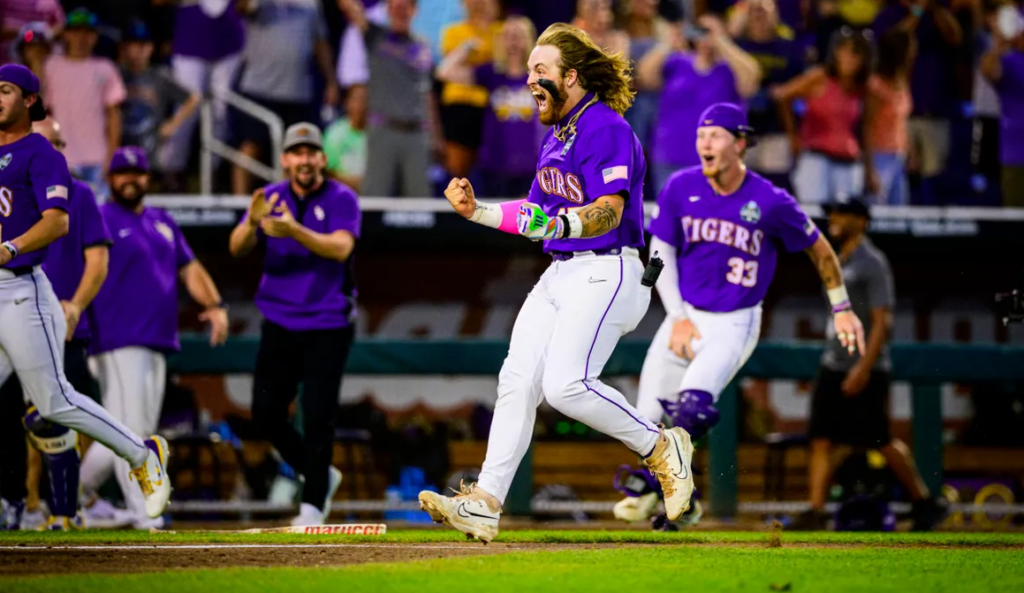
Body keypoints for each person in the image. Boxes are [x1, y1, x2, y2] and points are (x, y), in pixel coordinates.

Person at [417, 23, 695, 544]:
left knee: (565, 385)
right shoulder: (556, 137)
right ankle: (486, 501)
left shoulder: (605, 127)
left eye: (539, 71)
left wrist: (560, 225)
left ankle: (661, 447)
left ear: (571, 76)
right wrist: (478, 211)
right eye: (528, 71)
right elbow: (536, 213)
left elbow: (608, 213)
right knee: (516, 379)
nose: (529, 80)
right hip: (564, 269)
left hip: (609, 267)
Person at [609, 103, 866, 529]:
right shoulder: (679, 186)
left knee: (690, 409)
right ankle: (684, 502)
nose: (704, 143)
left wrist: (841, 307)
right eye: (700, 135)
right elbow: (660, 252)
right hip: (685, 313)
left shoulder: (770, 199)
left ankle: (659, 491)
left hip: (735, 319)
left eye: (715, 135)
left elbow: (820, 250)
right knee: (645, 422)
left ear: (740, 143)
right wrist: (676, 315)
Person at [0, 64, 169, 529]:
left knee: (54, 401)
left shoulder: (41, 153)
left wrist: (9, 247)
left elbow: (57, 222)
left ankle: (142, 453)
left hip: (21, 289)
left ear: (30, 100)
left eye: (7, 90)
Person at [78, 145, 227, 529]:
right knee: (132, 431)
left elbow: (190, 268)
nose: (131, 179)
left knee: (119, 427)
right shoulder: (100, 217)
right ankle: (144, 511)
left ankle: (69, 498)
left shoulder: (162, 221)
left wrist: (214, 304)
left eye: (138, 173)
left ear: (148, 178)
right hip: (115, 337)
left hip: (157, 339)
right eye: (123, 173)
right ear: (110, 179)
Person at [229, 123, 359, 526]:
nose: (304, 160)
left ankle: (312, 505)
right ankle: (319, 473)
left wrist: (294, 231)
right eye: (296, 153)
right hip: (279, 319)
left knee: (318, 414)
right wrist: (251, 223)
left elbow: (341, 248)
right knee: (265, 413)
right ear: (284, 159)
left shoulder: (342, 198)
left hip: (328, 321)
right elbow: (237, 249)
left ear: (322, 157)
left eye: (310, 152)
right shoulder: (268, 197)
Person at [795, 197, 948, 531]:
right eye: (832, 213)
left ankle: (925, 502)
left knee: (879, 439)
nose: (833, 218)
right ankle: (816, 511)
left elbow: (883, 320)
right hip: (833, 361)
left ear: (862, 220)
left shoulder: (873, 262)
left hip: (865, 366)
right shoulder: (838, 258)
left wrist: (864, 367)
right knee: (820, 437)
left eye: (842, 213)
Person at [0, 116, 120, 531]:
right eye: (46, 142)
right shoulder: (8, 187)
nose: (53, 151)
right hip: (11, 315)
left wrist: (76, 305)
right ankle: (18, 502)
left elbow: (98, 260)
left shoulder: (80, 193)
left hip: (61, 321)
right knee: (11, 416)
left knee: (54, 413)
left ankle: (65, 508)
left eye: (58, 143)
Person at [638, 15, 762, 195]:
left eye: (710, 31)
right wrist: (667, 43)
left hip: (718, 161)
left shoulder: (730, 68)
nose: (705, 36)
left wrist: (721, 42)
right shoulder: (678, 63)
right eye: (701, 31)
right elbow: (645, 76)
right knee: (671, 218)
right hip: (671, 156)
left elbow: (751, 80)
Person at [231, 0, 341, 195]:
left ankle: (288, 207)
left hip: (297, 92)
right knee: (251, 147)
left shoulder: (310, 5)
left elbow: (320, 43)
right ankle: (240, 206)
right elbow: (242, 7)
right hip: (259, 88)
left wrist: (331, 81)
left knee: (294, 154)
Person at [338, 0, 438, 198]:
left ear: (414, 11)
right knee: (375, 195)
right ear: (388, 10)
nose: (400, 11)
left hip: (416, 132)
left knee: (421, 202)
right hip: (383, 129)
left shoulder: (422, 46)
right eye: (395, 6)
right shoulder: (375, 36)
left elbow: (426, 93)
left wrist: (435, 135)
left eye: (405, 7)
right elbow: (349, 6)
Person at [436, 15, 541, 198]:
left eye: (518, 35)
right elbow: (444, 72)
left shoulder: (540, 76)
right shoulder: (491, 72)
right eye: (508, 36)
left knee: (528, 224)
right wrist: (466, 48)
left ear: (528, 40)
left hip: (529, 168)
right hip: (495, 166)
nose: (513, 41)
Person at [772, 26, 876, 204]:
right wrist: (793, 137)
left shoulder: (864, 89)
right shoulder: (819, 78)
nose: (850, 59)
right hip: (815, 159)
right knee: (814, 217)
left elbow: (865, 130)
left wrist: (870, 170)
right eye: (845, 52)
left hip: (849, 161)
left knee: (845, 218)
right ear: (836, 53)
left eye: (856, 54)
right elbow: (782, 96)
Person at [43, 8, 125, 201]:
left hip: (97, 159)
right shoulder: (51, 66)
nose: (82, 38)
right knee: (61, 218)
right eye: (76, 31)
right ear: (65, 34)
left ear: (96, 36)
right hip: (62, 159)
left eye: (88, 32)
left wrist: (112, 157)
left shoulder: (105, 68)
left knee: (96, 219)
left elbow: (114, 116)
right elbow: (43, 113)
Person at [118, 20, 201, 183]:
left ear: (151, 47)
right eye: (133, 44)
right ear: (124, 48)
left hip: (151, 151)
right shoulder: (116, 74)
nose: (139, 50)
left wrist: (173, 123)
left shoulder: (159, 76)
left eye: (143, 44)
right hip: (120, 146)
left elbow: (193, 98)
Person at [438, 0, 502, 178]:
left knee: (488, 168)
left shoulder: (500, 31)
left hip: (490, 108)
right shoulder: (453, 32)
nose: (478, 4)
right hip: (459, 107)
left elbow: (503, 63)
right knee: (457, 170)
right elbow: (448, 68)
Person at [981, 4, 1024, 208]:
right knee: (1016, 218)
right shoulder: (1007, 61)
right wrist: (999, 44)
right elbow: (988, 70)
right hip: (1016, 154)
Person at [866, 29, 913, 205]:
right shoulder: (875, 86)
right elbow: (867, 127)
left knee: (898, 214)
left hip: (898, 156)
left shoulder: (902, 81)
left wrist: (910, 151)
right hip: (879, 155)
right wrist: (869, 169)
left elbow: (902, 122)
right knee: (877, 212)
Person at [324, 86, 368, 192]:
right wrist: (352, 184)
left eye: (365, 100)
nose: (361, 105)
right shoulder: (334, 134)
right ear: (347, 103)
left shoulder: (379, 136)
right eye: (356, 100)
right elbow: (328, 172)